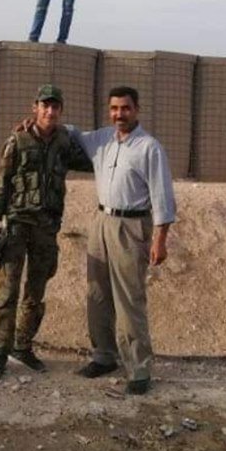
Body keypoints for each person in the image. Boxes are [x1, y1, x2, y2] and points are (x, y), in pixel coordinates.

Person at [69, 86, 176, 395]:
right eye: (114, 108)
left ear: (137, 110)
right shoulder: (101, 139)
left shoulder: (149, 148)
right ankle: (104, 356)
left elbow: (162, 196)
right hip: (101, 222)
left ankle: (139, 369)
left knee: (129, 299)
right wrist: (35, 122)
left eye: (125, 108)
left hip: (131, 227)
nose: (119, 114)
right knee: (97, 293)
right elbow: (72, 133)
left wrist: (160, 240)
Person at [0, 84, 93, 381]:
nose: (49, 111)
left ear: (60, 111)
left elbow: (90, 162)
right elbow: (1, 183)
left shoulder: (63, 143)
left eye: (55, 106)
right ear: (35, 107)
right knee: (8, 293)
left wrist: (72, 132)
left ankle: (22, 345)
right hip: (17, 225)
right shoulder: (17, 140)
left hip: (46, 229)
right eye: (45, 105)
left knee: (36, 293)